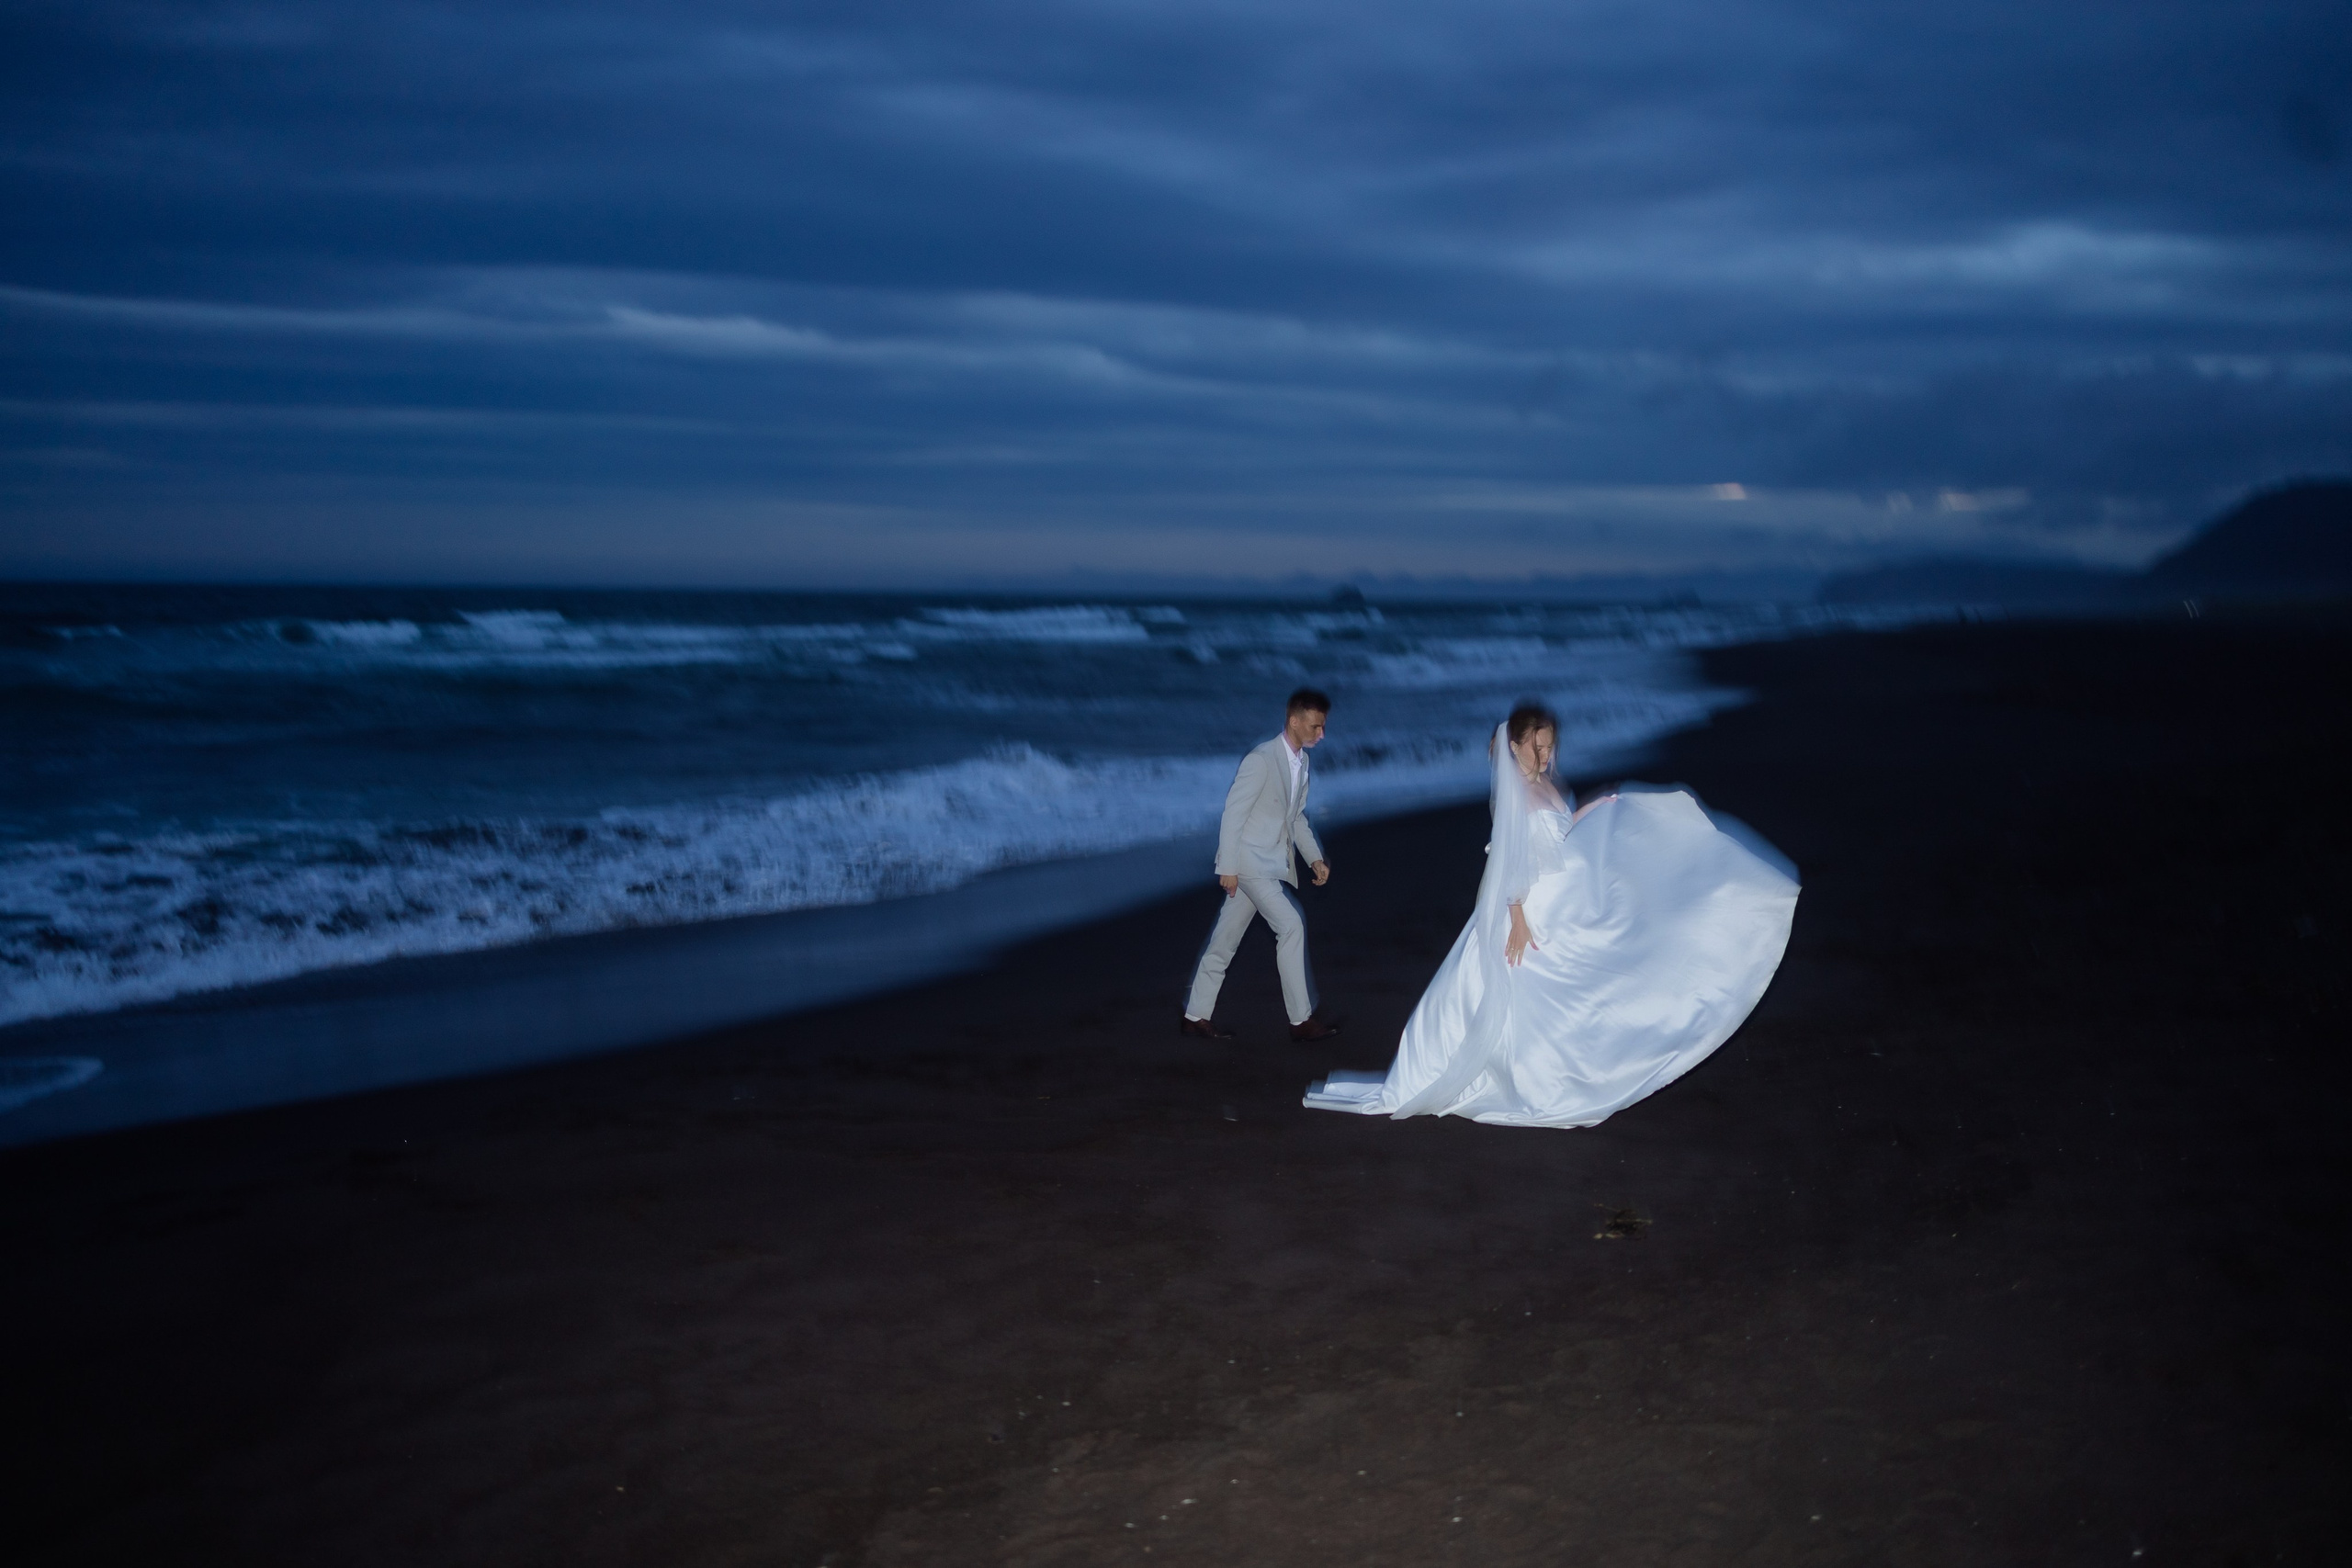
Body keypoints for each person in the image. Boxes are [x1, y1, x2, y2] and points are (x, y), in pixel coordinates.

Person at [1304, 702, 1798, 1126]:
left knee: (1592, 974)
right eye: (1536, 747)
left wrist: (1597, 808)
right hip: (1534, 904)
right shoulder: (1515, 792)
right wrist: (1517, 916)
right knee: (1544, 993)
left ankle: (1574, 1075)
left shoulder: (1543, 783)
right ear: (1514, 745)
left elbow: (1558, 833)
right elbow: (1508, 859)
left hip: (1564, 893)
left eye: (1549, 746)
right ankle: (1543, 1087)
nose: (1544, 755)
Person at [1181, 688, 1344, 1043]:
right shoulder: (1260, 759)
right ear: (1294, 721)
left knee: (1225, 940)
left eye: (1323, 727)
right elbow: (1233, 813)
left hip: (1271, 864)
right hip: (1250, 863)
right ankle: (1300, 1022)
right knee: (1291, 925)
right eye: (1316, 727)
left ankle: (1195, 1015)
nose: (1322, 734)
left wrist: (1314, 857)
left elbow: (1296, 818)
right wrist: (1227, 865)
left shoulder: (1303, 763)